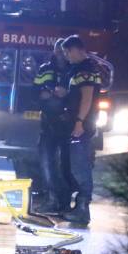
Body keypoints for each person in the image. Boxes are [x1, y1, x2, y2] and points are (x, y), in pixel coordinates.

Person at [59, 35, 102, 225]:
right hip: (78, 124)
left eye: (67, 52)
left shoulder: (86, 69)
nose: (66, 56)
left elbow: (86, 98)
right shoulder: (78, 69)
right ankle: (79, 207)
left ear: (76, 49)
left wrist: (79, 122)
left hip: (82, 126)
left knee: (80, 167)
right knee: (75, 166)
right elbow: (77, 96)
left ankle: (83, 208)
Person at [32, 39, 70, 213]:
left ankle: (66, 201)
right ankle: (52, 199)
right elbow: (34, 90)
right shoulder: (44, 69)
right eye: (58, 51)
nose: (61, 54)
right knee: (47, 162)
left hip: (68, 124)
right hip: (48, 123)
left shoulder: (74, 70)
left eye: (64, 51)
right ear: (54, 51)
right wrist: (43, 94)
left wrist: (65, 95)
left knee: (66, 165)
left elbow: (81, 95)